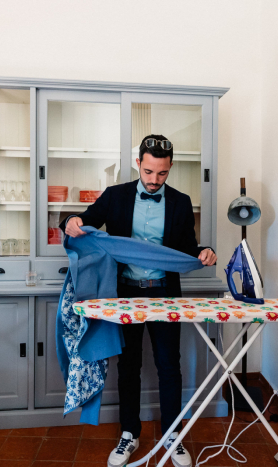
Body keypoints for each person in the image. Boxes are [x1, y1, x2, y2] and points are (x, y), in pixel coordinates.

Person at [62, 134, 217, 467]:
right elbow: (82, 220)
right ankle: (129, 433)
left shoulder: (180, 201)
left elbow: (185, 248)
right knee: (129, 367)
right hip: (124, 294)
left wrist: (203, 252)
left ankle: (173, 434)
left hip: (163, 292)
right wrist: (71, 221)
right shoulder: (115, 196)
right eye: (148, 172)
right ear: (138, 164)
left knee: (168, 366)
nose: (153, 180)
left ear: (170, 168)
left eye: (161, 174)